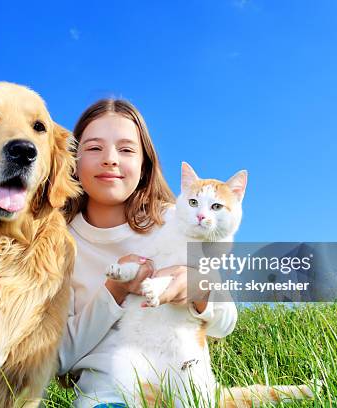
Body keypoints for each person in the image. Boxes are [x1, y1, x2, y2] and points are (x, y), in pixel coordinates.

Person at [57, 98, 238, 408]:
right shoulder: (57, 243)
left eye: (126, 150)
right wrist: (115, 291)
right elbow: (59, 357)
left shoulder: (178, 221)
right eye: (94, 148)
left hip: (185, 389)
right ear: (73, 161)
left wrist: (197, 288)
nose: (110, 159)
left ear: (144, 166)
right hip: (109, 395)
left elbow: (226, 322)